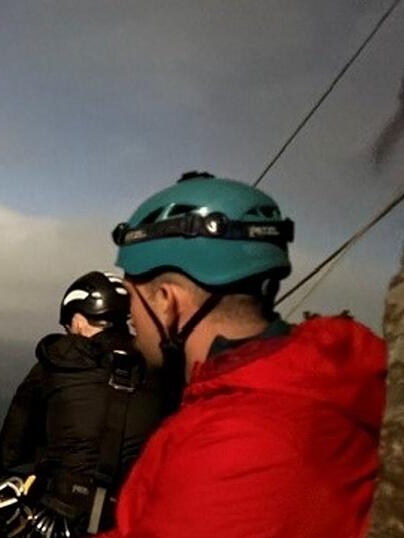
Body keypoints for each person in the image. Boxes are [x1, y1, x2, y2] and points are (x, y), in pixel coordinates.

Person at [100, 171, 387, 537]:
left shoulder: (239, 445)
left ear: (166, 300)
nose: (130, 316)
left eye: (131, 296)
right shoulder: (300, 385)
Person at [0, 271, 165, 535]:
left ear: (79, 321)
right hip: (135, 521)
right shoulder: (161, 372)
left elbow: (9, 455)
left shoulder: (54, 365)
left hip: (58, 519)